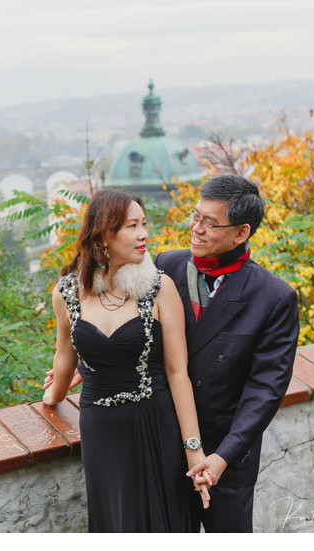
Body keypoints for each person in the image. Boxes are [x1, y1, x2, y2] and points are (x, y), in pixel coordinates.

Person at [42, 188, 212, 532]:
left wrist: (194, 451)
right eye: (132, 226)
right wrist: (52, 397)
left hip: (155, 423)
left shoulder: (159, 288)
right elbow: (64, 356)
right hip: (100, 431)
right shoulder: (67, 292)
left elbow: (178, 372)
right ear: (104, 234)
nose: (144, 234)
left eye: (144, 223)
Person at [153, 174, 299, 532]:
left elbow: (264, 391)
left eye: (210, 223)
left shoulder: (274, 298)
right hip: (166, 442)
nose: (196, 229)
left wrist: (222, 457)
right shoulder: (165, 267)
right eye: (195, 216)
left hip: (227, 458)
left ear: (241, 232)